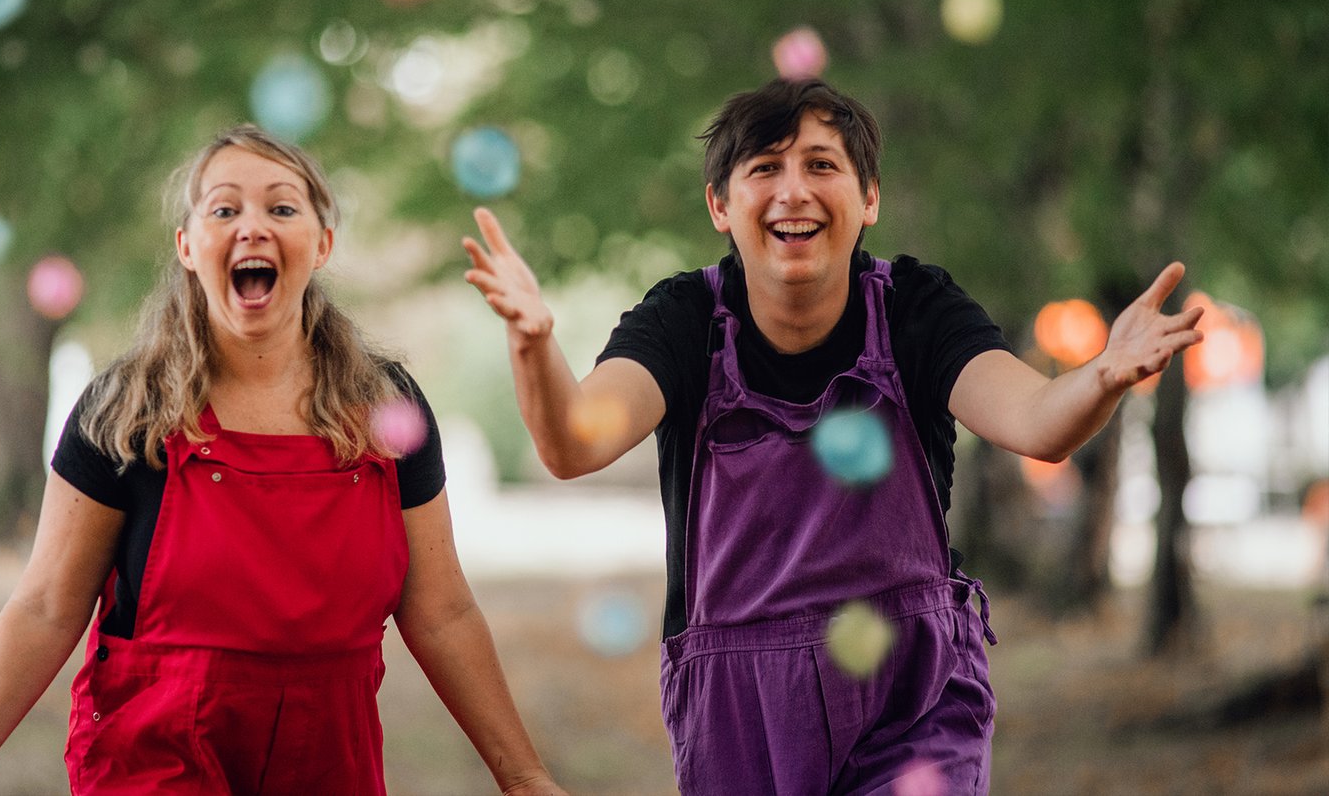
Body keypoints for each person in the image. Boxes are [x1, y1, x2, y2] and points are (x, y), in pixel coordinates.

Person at [462, 78, 1203, 795]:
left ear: (868, 197)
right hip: (740, 717)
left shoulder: (919, 308)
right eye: (765, 169)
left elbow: (1038, 421)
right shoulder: (682, 321)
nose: (794, 192)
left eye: (822, 165)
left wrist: (1105, 374)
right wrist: (534, 345)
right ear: (720, 204)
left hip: (912, 701)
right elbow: (573, 443)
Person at [0, 125, 565, 796]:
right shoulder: (122, 410)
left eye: (281, 207)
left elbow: (441, 612)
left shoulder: (387, 408)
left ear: (322, 244)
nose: (252, 225)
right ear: (188, 246)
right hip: (157, 758)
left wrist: (524, 777)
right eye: (224, 209)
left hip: (330, 762)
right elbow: (44, 607)